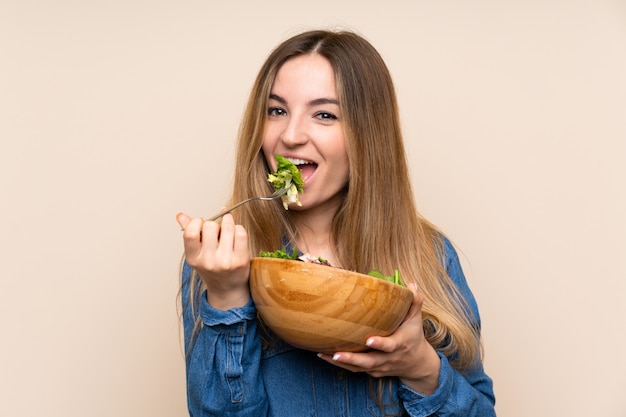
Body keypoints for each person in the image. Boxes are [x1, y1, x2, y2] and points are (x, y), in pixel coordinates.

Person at [176, 29, 496, 416]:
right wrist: (227, 298)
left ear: (367, 135)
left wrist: (422, 370)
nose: (290, 136)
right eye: (276, 111)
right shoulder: (222, 256)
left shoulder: (430, 255)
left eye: (325, 115)